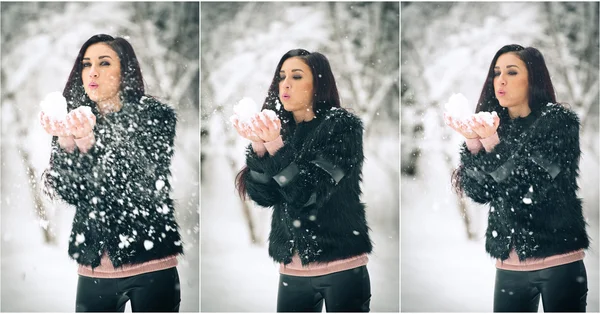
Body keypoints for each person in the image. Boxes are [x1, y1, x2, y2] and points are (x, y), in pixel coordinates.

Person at [39, 34, 183, 312]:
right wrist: (68, 140)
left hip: (151, 262)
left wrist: (87, 142)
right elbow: (73, 193)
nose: (92, 71)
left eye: (104, 63)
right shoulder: (73, 119)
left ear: (125, 70)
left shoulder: (155, 115)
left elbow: (139, 182)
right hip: (94, 267)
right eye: (86, 64)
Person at [445, 44, 589, 312]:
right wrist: (473, 141)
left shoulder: (558, 122)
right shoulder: (495, 125)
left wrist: (491, 141)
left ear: (532, 78)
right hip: (509, 267)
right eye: (496, 72)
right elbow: (480, 192)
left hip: (558, 259)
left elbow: (531, 187)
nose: (500, 79)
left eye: (511, 72)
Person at [231, 49, 373, 312]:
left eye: (296, 76)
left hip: (342, 265)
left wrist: (275, 145)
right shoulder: (280, 129)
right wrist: (259, 146)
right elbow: (264, 197)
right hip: (292, 271)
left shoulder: (342, 127)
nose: (285, 83)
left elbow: (307, 194)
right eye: (281, 76)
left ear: (318, 84)